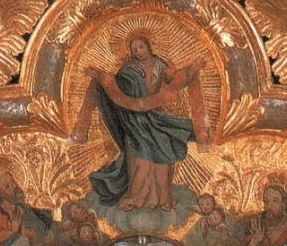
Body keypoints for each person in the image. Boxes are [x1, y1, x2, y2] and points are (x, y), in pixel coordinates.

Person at [71, 33, 209, 211]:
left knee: (163, 157)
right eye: (134, 50)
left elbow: (177, 80)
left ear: (149, 46)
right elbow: (116, 87)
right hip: (134, 120)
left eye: (141, 47)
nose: (138, 52)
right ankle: (135, 198)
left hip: (155, 117)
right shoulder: (130, 69)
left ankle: (164, 199)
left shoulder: (160, 66)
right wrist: (100, 76)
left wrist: (191, 69)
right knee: (140, 160)